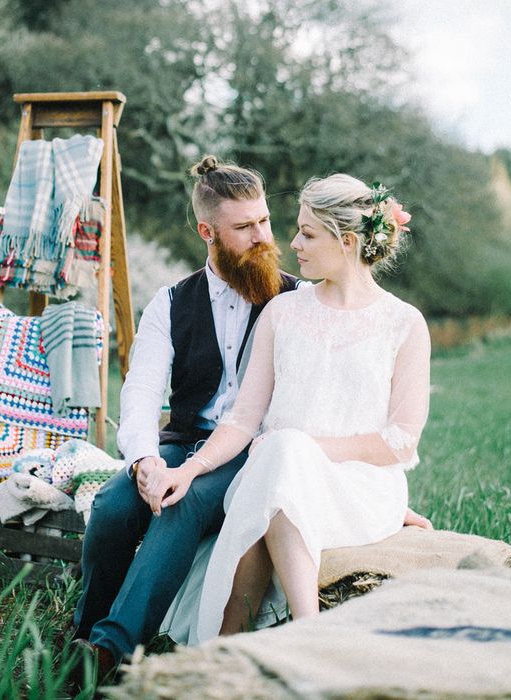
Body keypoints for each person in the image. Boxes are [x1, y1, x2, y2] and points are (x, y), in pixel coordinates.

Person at [154, 174, 432, 643]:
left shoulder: (404, 323)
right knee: (279, 471)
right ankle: (286, 639)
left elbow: (400, 440)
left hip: (360, 486)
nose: (292, 243)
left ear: (346, 241)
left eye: (307, 233)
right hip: (276, 473)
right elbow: (243, 418)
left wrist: (305, 449)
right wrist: (190, 469)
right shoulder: (282, 313)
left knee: (282, 458)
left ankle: (255, 637)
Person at [71, 155, 300, 673]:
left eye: (264, 221)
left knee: (184, 500)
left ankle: (110, 651)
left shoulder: (298, 299)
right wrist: (145, 462)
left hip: (252, 453)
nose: (262, 236)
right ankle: (82, 638)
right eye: (244, 227)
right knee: (110, 506)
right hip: (182, 440)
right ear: (207, 232)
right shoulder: (171, 302)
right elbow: (141, 389)